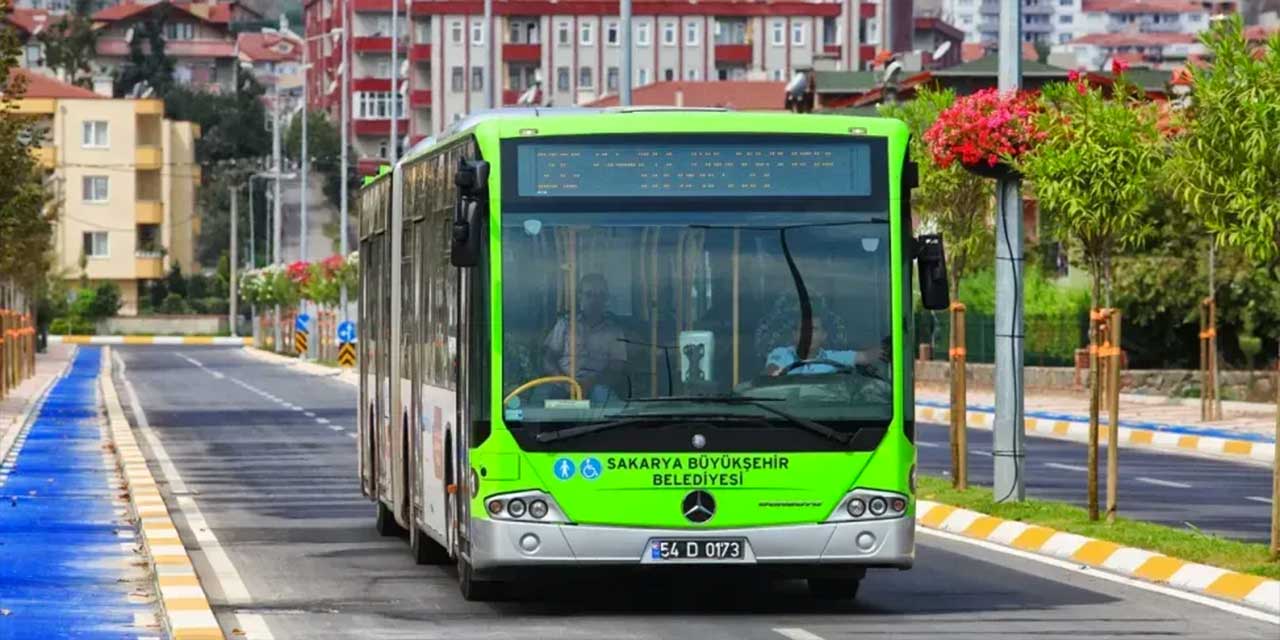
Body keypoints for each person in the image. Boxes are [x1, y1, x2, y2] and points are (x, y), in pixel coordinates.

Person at [541, 273, 627, 404]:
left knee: (608, 402)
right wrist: (564, 381)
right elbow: (548, 359)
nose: (595, 300)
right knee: (538, 402)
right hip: (562, 383)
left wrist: (592, 382)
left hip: (598, 385)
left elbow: (617, 368)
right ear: (579, 296)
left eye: (600, 295)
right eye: (589, 294)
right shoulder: (565, 324)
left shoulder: (615, 331)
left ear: (606, 299)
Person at [764, 315, 884, 375]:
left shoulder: (834, 358)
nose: (808, 334)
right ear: (794, 334)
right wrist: (775, 373)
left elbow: (868, 356)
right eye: (803, 330)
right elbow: (771, 371)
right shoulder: (781, 353)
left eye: (814, 329)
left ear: (824, 335)